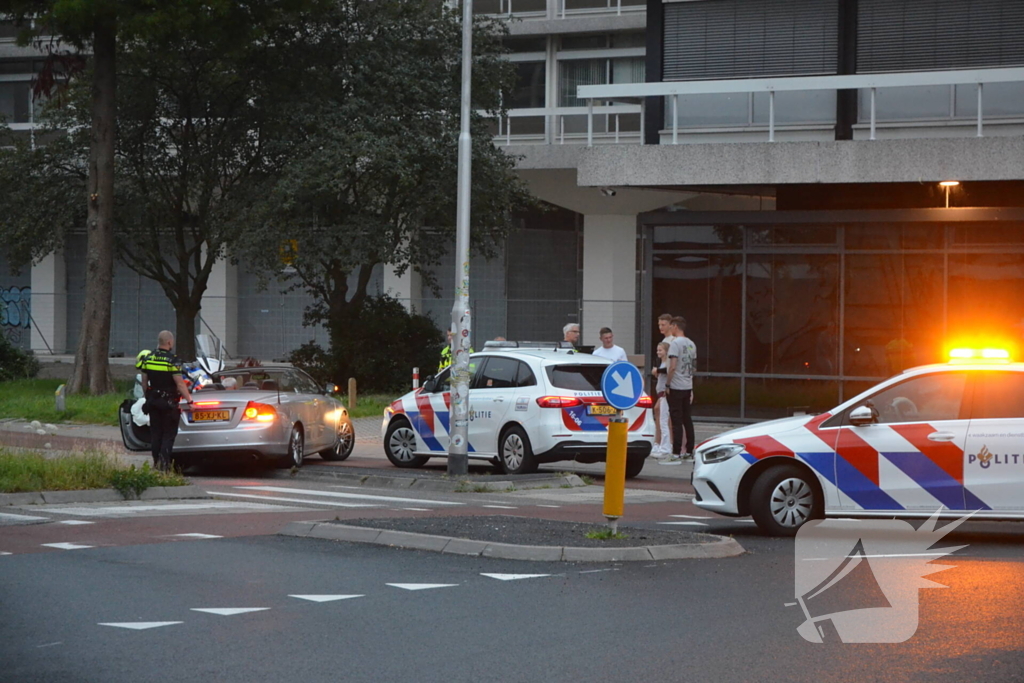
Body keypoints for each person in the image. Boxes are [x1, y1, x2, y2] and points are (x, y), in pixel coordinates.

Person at [138, 330, 192, 471]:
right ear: (169, 342)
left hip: (153, 402)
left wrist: (148, 397)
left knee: (156, 434)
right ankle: (165, 465)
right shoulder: (173, 360)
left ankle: (156, 463)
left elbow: (144, 382)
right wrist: (190, 401)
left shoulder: (148, 358)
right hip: (169, 404)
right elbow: (180, 384)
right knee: (168, 435)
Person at [663, 316, 696, 464]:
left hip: (676, 386)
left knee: (676, 420)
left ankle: (676, 453)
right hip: (687, 385)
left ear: (675, 327)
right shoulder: (691, 344)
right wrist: (691, 386)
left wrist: (668, 384)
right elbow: (693, 368)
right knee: (687, 419)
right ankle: (689, 451)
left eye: (671, 326)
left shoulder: (675, 343)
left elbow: (673, 366)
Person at [651, 313, 675, 458]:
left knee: (665, 416)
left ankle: (667, 444)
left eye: (663, 325)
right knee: (660, 413)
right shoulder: (665, 340)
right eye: (659, 325)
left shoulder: (672, 341)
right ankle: (659, 443)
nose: (661, 327)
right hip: (662, 385)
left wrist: (658, 371)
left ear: (671, 325)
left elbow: (671, 366)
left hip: (668, 386)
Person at [650, 341, 672, 459]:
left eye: (661, 350)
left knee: (663, 421)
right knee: (662, 421)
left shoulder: (667, 363)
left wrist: (657, 371)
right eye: (658, 350)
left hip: (664, 395)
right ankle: (663, 445)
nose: (658, 352)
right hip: (661, 394)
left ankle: (666, 447)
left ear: (666, 351)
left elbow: (668, 371)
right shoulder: (662, 363)